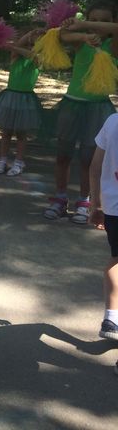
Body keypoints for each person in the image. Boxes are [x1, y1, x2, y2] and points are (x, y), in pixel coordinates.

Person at [44, 1, 118, 223]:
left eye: (104, 21)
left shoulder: (113, 44)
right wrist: (83, 35)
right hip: (71, 105)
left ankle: (85, 201)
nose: (98, 24)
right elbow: (61, 34)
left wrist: (85, 24)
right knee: (63, 155)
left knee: (88, 159)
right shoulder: (82, 42)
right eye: (93, 19)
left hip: (98, 109)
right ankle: (60, 197)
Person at [0, 28, 45, 176]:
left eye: (36, 42)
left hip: (26, 100)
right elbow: (18, 46)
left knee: (21, 133)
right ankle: (3, 159)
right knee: (6, 131)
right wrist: (29, 34)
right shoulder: (15, 56)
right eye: (29, 42)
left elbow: (32, 55)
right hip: (10, 98)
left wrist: (15, 47)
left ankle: (18, 162)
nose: (31, 45)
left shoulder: (39, 58)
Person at [89, 113, 118, 345]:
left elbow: (95, 167)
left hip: (113, 207)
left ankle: (111, 317)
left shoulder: (112, 121)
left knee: (116, 260)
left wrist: (95, 205)